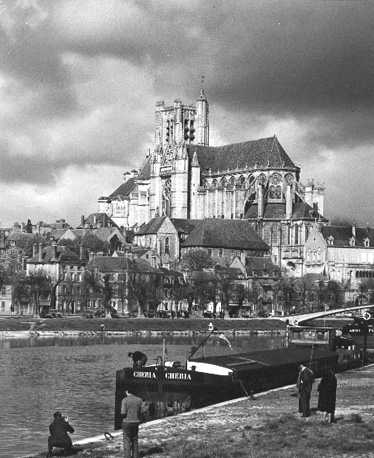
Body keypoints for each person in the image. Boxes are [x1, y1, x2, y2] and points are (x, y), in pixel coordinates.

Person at [121, 390, 143, 458]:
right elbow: (141, 412)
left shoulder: (125, 400)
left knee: (127, 440)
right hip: (136, 422)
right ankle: (135, 456)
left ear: (127, 391)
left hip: (127, 422)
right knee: (135, 440)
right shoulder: (139, 400)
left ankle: (127, 456)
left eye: (125, 392)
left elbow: (123, 413)